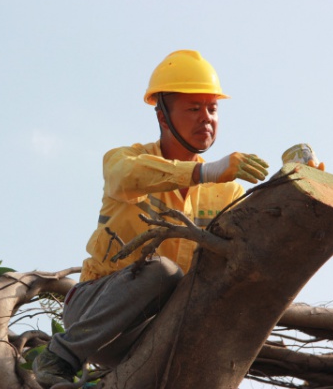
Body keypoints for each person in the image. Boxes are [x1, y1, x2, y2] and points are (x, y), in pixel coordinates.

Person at [33, 50, 270, 387]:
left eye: (212, 109)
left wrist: (294, 187)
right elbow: (127, 176)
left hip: (154, 327)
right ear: (162, 117)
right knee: (162, 271)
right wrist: (206, 171)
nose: (206, 118)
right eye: (193, 108)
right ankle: (59, 357)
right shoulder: (126, 161)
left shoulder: (226, 193)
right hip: (93, 310)